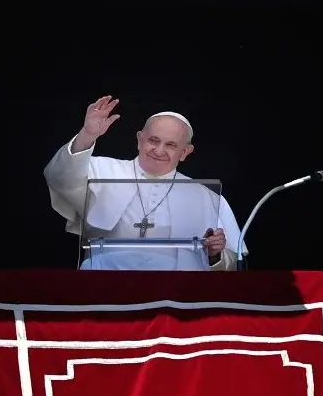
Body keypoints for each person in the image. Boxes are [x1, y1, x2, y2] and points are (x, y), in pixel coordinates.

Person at [44, 95, 247, 271]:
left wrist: (214, 254)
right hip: (106, 283)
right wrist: (87, 135)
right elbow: (60, 178)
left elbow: (233, 263)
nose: (159, 150)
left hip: (177, 293)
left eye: (171, 145)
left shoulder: (206, 197)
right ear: (140, 139)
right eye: (153, 140)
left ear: (185, 152)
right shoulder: (102, 170)